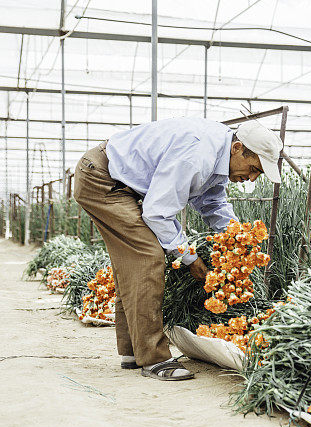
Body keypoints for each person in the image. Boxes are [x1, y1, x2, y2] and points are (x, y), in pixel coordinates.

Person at [73, 117, 283, 381]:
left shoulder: (218, 155)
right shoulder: (197, 154)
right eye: (253, 168)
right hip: (102, 179)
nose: (251, 178)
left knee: (133, 262)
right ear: (238, 148)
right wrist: (189, 257)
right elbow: (158, 213)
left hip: (115, 180)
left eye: (258, 174)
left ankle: (132, 351)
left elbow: (213, 202)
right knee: (148, 256)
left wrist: (236, 236)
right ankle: (154, 359)